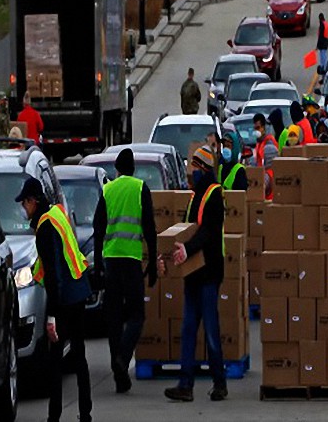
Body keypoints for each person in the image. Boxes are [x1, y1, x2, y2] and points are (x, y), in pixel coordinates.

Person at [16, 178, 93, 422]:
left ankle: (54, 416)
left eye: (24, 203)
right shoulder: (56, 214)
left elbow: (54, 275)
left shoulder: (45, 228)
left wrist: (51, 317)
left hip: (65, 299)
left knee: (55, 360)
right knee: (79, 356)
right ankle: (86, 412)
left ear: (33, 201)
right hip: (79, 291)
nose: (23, 209)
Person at [92, 148, 158, 393]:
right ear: (134, 169)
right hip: (131, 260)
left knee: (113, 318)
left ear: (118, 169)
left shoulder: (108, 189)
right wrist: (151, 263)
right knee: (136, 315)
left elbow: (98, 228)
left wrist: (98, 266)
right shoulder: (140, 188)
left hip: (111, 261)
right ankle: (122, 358)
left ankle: (120, 375)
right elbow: (149, 228)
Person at [162, 157, 228, 402]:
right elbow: (187, 229)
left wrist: (187, 250)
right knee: (189, 327)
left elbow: (208, 232)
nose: (192, 174)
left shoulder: (213, 196)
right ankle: (185, 384)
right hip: (193, 273)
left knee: (210, 328)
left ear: (204, 169)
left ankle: (219, 383)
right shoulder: (195, 196)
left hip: (209, 272)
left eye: (195, 169)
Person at [252, 113, 279, 200]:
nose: (256, 131)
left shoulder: (269, 143)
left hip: (268, 179)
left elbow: (269, 162)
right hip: (261, 177)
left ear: (263, 128)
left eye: (258, 128)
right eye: (255, 128)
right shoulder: (259, 142)